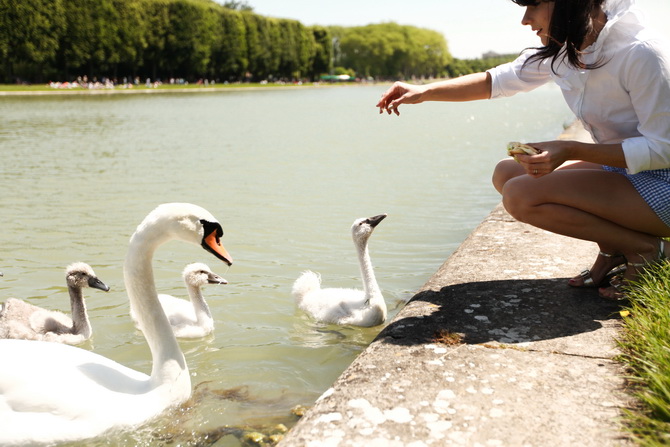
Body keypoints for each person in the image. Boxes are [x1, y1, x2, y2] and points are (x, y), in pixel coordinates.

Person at [376, 0, 670, 300]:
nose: (525, 20)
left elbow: (664, 150)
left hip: (664, 182)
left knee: (521, 195)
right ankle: (613, 249)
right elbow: (500, 79)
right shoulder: (570, 47)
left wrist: (569, 150)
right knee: (507, 173)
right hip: (628, 171)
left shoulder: (642, 52)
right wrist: (424, 91)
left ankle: (647, 250)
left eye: (534, 5)